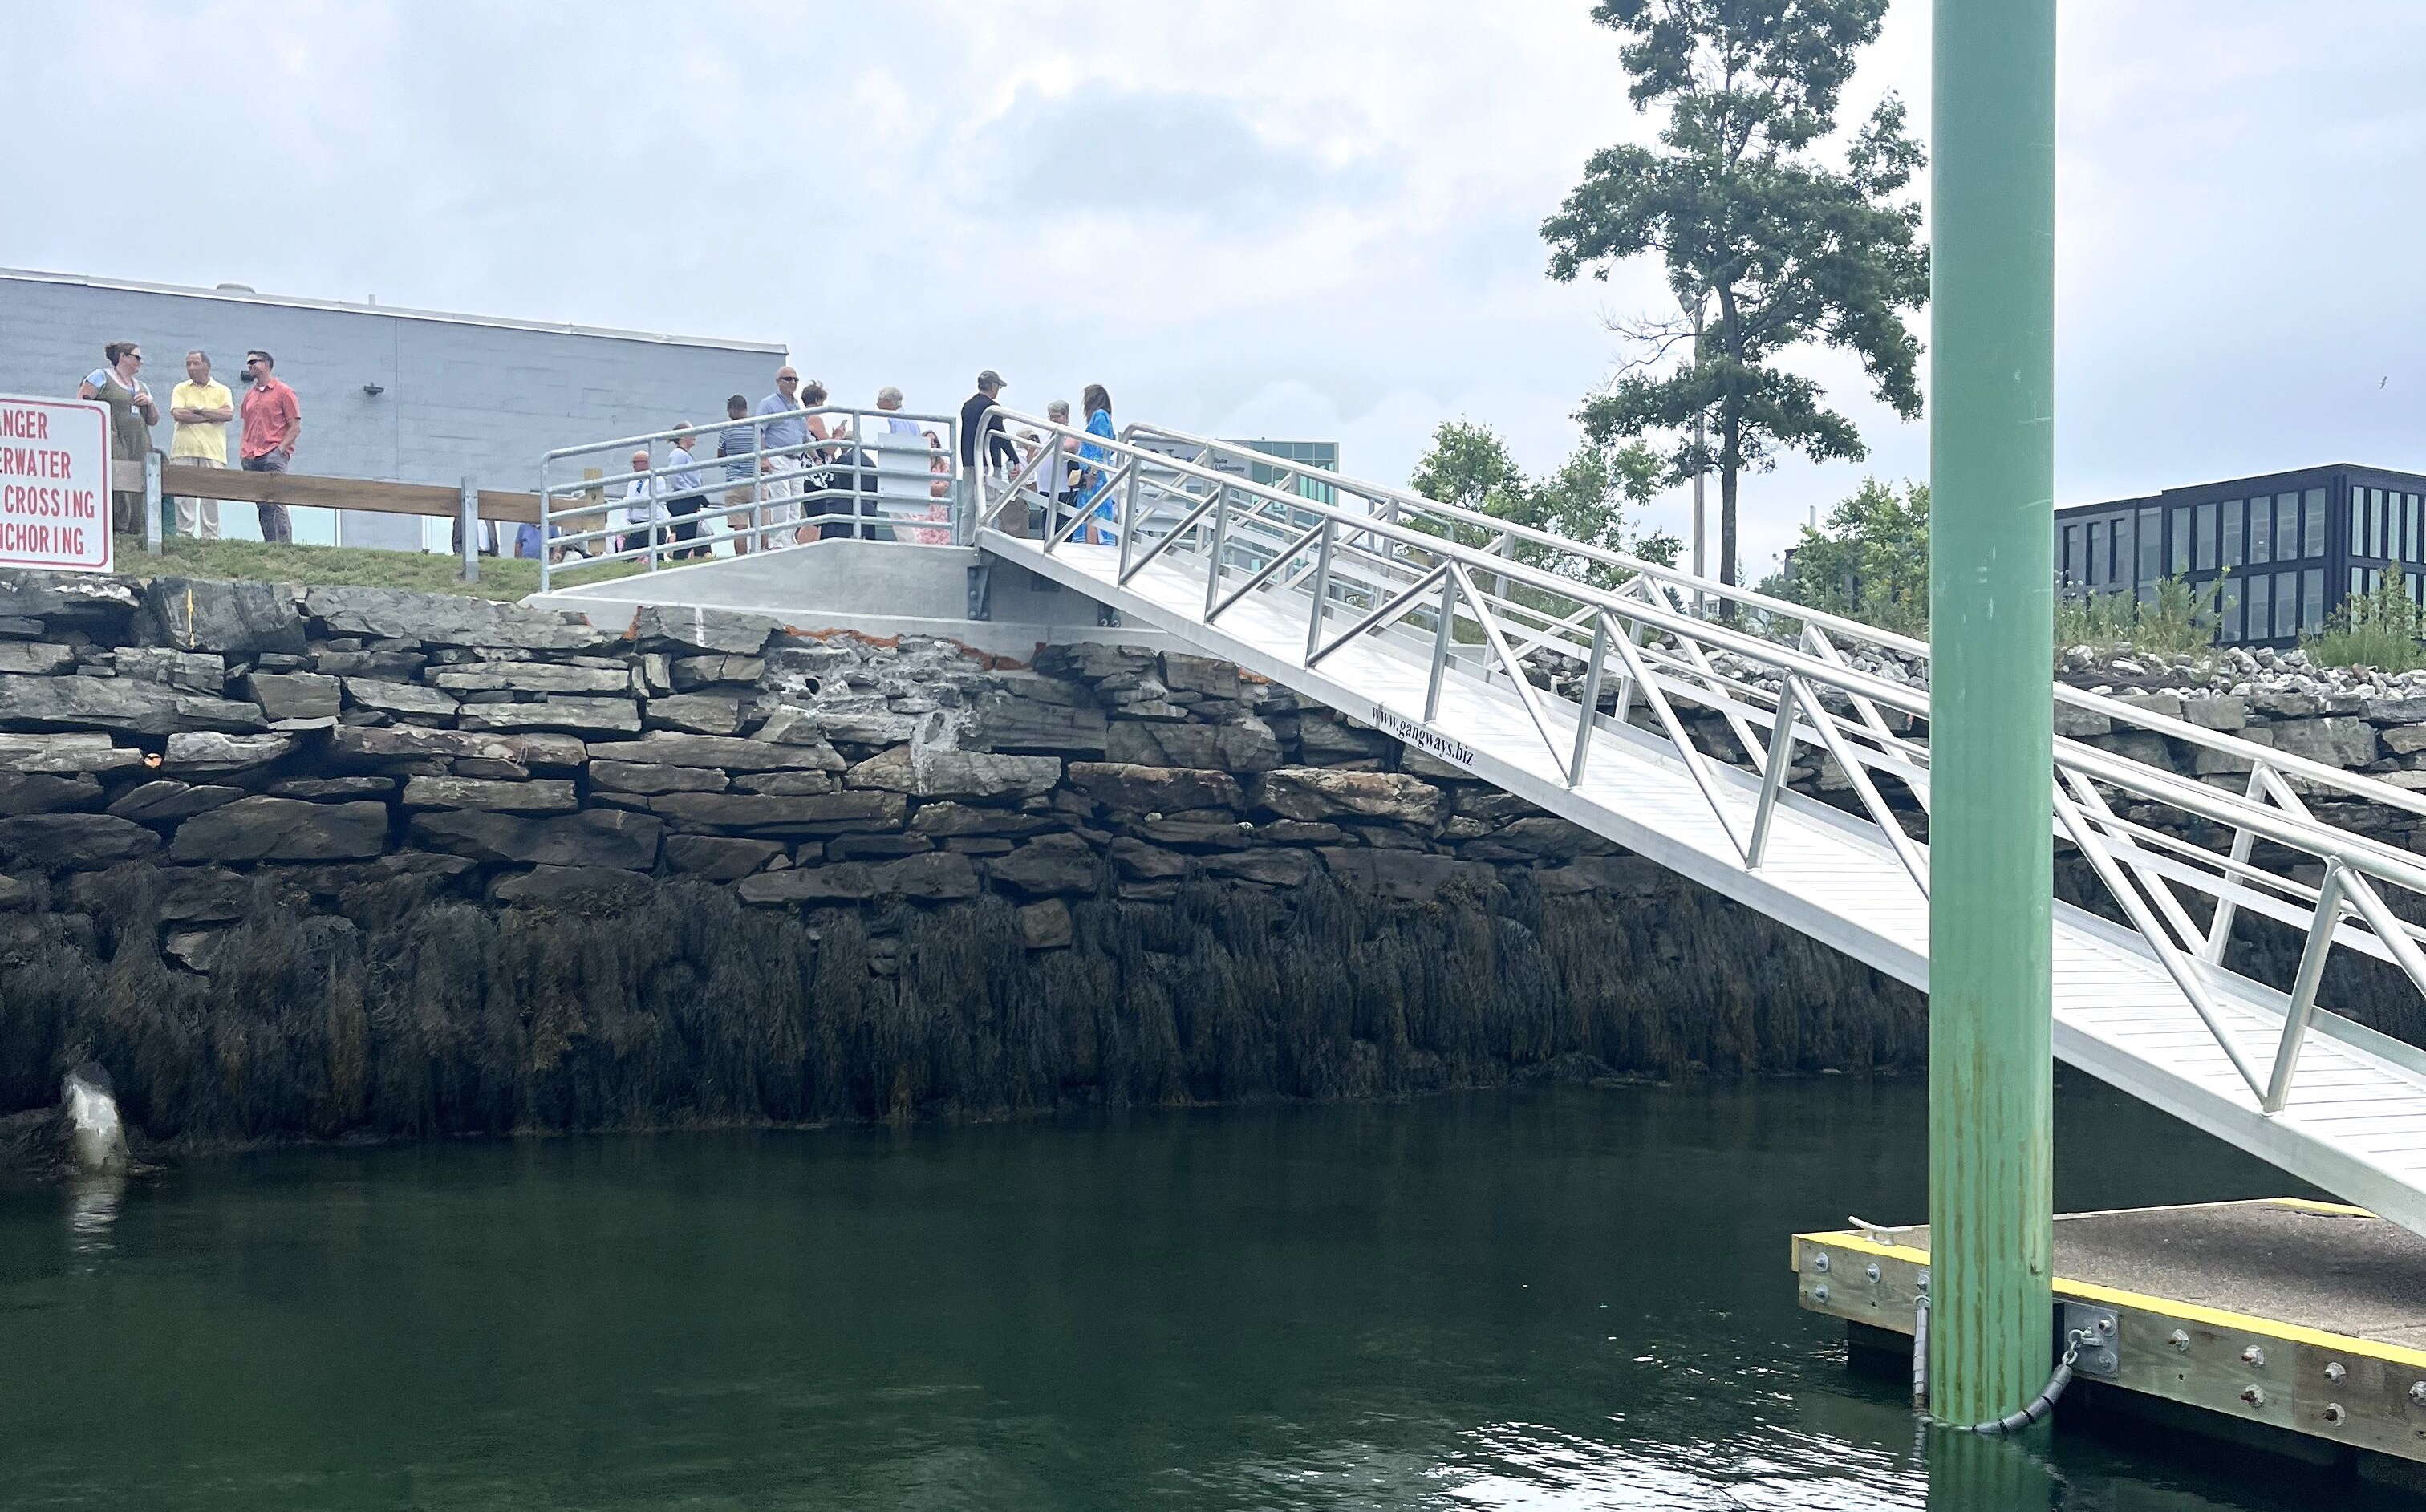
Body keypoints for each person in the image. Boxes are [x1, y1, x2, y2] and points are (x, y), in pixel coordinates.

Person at [79, 342, 158, 535]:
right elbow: (82, 403)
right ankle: (117, 526)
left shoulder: (142, 386)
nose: (140, 362)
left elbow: (153, 419)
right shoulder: (101, 376)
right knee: (119, 478)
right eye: (137, 357)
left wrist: (149, 402)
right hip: (113, 438)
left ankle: (136, 528)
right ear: (123, 357)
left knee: (140, 479)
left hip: (139, 441)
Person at [165, 351, 233, 540]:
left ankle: (210, 536)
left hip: (213, 452)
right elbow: (178, 414)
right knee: (184, 495)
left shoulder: (222, 390)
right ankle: (185, 534)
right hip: (183, 450)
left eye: (195, 363)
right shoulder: (181, 388)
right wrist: (211, 416)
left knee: (212, 495)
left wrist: (199, 411)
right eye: (188, 364)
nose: (191, 368)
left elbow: (228, 415)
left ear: (207, 366)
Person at [237, 350, 301, 543]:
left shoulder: (284, 392)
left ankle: (284, 545)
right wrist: (244, 451)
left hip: (273, 454)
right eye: (248, 363)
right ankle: (269, 543)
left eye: (254, 362)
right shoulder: (249, 395)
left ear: (267, 364)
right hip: (251, 456)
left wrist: (279, 450)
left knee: (277, 501)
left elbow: (295, 427)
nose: (250, 366)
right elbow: (247, 424)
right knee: (262, 503)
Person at [756, 367, 808, 548]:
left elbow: (805, 434)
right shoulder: (768, 404)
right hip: (776, 455)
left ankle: (789, 538)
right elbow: (758, 430)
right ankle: (777, 540)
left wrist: (816, 456)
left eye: (795, 379)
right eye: (788, 379)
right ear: (779, 381)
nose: (792, 382)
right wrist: (763, 457)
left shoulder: (796, 405)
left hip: (796, 459)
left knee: (796, 502)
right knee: (782, 500)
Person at [1074, 384, 1118, 545]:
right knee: (1093, 509)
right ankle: (1092, 543)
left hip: (1095, 474)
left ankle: (1092, 545)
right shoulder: (1104, 417)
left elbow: (1101, 445)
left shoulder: (1099, 416)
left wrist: (1093, 471)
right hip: (1096, 472)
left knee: (1092, 510)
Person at [715, 395, 759, 553]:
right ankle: (762, 556)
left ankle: (741, 558)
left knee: (740, 528)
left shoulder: (726, 429)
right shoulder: (756, 426)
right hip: (756, 481)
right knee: (761, 525)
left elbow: (721, 458)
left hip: (735, 482)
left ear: (732, 409)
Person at [958, 369, 1019, 476]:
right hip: (989, 463)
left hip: (968, 462)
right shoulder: (992, 408)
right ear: (993, 386)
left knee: (969, 492)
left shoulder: (967, 406)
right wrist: (1014, 458)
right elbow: (1000, 434)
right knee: (990, 492)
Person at [664, 425, 708, 560]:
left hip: (689, 497)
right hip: (685, 499)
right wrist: (688, 491)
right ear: (682, 436)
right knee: (685, 533)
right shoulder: (679, 454)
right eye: (691, 433)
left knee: (688, 533)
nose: (694, 436)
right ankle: (680, 558)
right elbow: (674, 475)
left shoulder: (683, 454)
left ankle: (682, 558)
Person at [615, 448, 666, 557]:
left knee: (655, 557)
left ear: (645, 463)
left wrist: (628, 501)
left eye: (636, 463)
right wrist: (625, 522)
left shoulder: (657, 480)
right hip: (636, 525)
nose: (633, 466)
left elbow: (645, 501)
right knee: (627, 557)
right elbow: (627, 506)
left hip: (652, 525)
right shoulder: (633, 481)